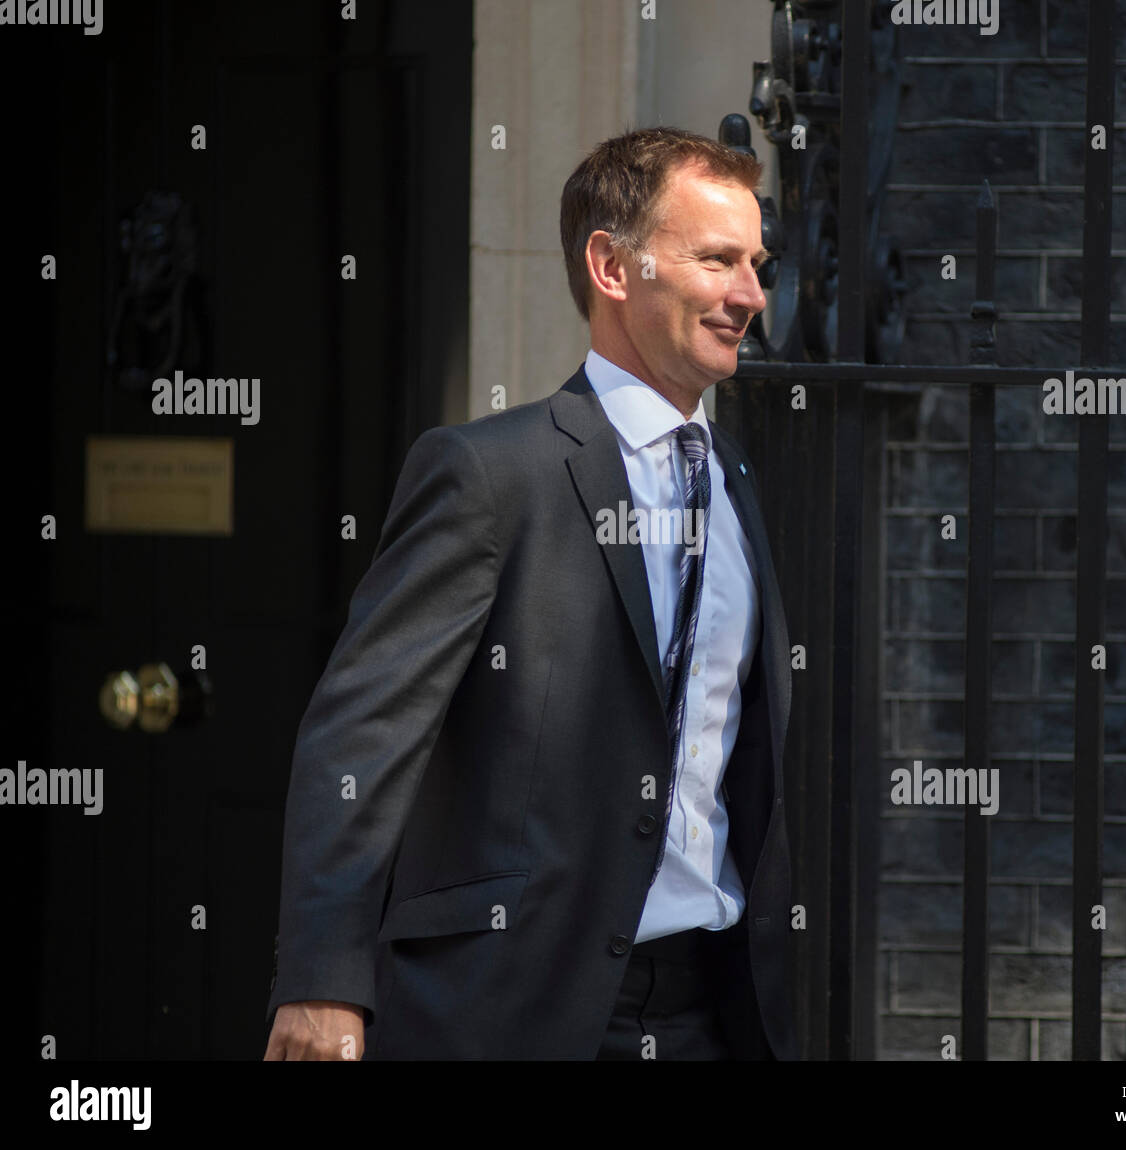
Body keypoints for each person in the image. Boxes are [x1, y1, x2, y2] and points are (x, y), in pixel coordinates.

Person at [262, 126, 796, 1060]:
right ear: (613, 267)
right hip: (511, 1006)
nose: (751, 294)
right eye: (718, 260)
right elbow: (362, 735)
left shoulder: (742, 483)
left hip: (713, 1009)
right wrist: (320, 978)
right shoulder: (484, 474)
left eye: (757, 263)